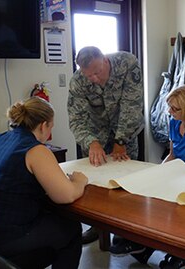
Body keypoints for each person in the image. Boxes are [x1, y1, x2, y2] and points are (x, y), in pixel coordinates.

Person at [0, 97, 88, 269]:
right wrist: (80, 181)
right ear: (43, 125)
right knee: (71, 228)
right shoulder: (36, 150)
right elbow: (67, 195)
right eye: (51, 127)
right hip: (4, 241)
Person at [114, 84, 185, 269]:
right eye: (169, 107)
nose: (169, 112)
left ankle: (177, 254)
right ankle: (144, 244)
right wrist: (159, 171)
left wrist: (178, 169)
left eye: (175, 108)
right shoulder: (174, 123)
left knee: (172, 209)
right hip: (177, 174)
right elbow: (172, 154)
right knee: (147, 198)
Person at [67, 46, 145, 249]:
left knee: (127, 184)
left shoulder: (127, 64)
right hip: (96, 135)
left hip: (126, 130)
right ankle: (97, 227)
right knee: (95, 187)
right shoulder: (78, 81)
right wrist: (90, 142)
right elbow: (76, 119)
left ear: (104, 60)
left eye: (97, 72)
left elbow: (132, 105)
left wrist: (121, 141)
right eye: (88, 74)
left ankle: (129, 232)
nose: (93, 78)